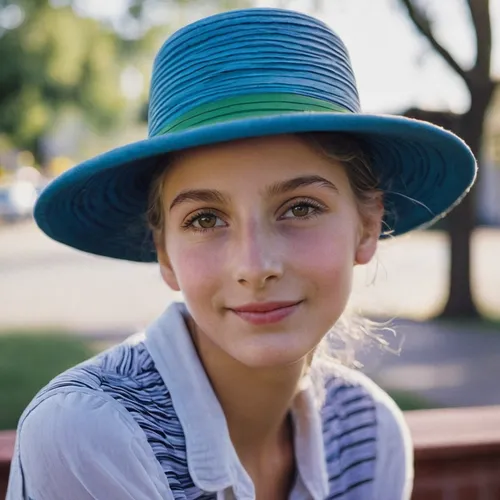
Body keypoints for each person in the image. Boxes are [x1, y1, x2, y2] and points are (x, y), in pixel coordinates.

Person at [7, 7, 476, 500]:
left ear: (367, 225)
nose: (254, 267)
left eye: (299, 207)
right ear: (164, 251)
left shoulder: (370, 435)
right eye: (205, 219)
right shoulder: (90, 432)